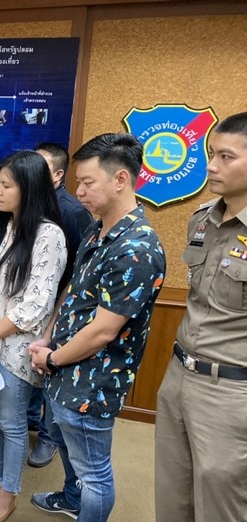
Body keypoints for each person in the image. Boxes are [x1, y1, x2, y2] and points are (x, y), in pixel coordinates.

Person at [29, 133, 166, 521]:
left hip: (92, 382)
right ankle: (72, 498)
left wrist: (52, 358)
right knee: (69, 447)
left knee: (95, 473)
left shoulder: (137, 248)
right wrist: (47, 338)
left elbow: (104, 330)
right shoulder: (97, 228)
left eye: (88, 182)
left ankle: (84, 502)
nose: (79, 191)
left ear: (120, 179)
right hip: (63, 367)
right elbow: (73, 291)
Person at [0, 151, 67, 522]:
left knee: (12, 422)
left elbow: (35, 306)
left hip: (13, 350)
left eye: (6, 186)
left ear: (29, 188)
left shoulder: (49, 235)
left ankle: (9, 492)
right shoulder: (0, 226)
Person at [155, 112, 247, 522]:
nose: (211, 166)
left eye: (226, 157)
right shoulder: (202, 219)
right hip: (179, 375)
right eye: (211, 154)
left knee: (221, 503)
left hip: (231, 390)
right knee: (172, 494)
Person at [27, 142, 94, 468]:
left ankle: (48, 437)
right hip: (31, 304)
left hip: (59, 306)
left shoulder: (72, 211)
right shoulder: (31, 202)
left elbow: (80, 269)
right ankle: (30, 418)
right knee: (30, 363)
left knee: (50, 371)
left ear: (57, 175)